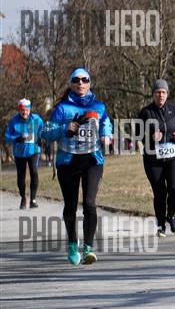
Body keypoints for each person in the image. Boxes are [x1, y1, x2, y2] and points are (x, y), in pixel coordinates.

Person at [42, 68, 112, 266]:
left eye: (84, 79)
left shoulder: (98, 106)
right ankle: (73, 244)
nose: (80, 83)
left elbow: (106, 121)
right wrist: (64, 128)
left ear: (89, 83)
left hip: (92, 160)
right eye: (76, 80)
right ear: (71, 83)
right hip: (68, 162)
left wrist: (106, 134)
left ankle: (88, 247)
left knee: (89, 203)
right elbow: (46, 132)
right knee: (71, 205)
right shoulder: (62, 108)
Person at [138, 79, 175, 238]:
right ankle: (161, 224)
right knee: (160, 192)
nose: (160, 95)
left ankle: (171, 215)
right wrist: (150, 137)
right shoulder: (146, 113)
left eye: (163, 92)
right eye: (157, 92)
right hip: (153, 161)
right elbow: (137, 134)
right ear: (153, 94)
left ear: (167, 94)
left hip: (174, 158)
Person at [4, 99, 44, 209]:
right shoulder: (13, 122)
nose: (24, 112)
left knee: (34, 172)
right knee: (21, 176)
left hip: (33, 151)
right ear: (19, 110)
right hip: (19, 153)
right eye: (22, 110)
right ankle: (23, 198)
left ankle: (33, 200)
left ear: (30, 109)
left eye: (27, 110)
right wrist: (16, 138)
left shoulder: (36, 119)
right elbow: (7, 137)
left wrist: (41, 137)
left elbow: (42, 129)